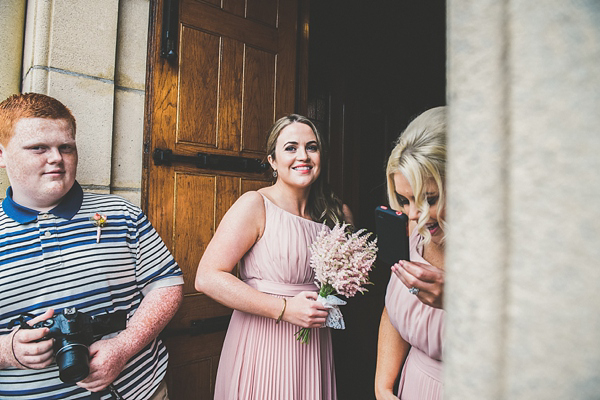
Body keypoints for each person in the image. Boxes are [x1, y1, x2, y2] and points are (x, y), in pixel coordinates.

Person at [0, 93, 184, 399]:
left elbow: (166, 286)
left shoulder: (122, 213)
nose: (56, 158)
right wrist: (6, 352)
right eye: (38, 148)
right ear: (2, 154)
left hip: (139, 392)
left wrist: (124, 347)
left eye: (66, 148)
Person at [195, 114, 352, 400]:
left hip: (314, 344)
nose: (302, 156)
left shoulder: (336, 215)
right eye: (291, 148)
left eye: (312, 147)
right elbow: (207, 277)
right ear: (272, 161)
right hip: (262, 341)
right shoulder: (255, 205)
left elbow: (345, 285)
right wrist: (284, 309)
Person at [375, 106, 447, 400]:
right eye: (405, 200)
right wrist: (383, 387)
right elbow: (395, 309)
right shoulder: (415, 234)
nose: (415, 214)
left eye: (430, 198)